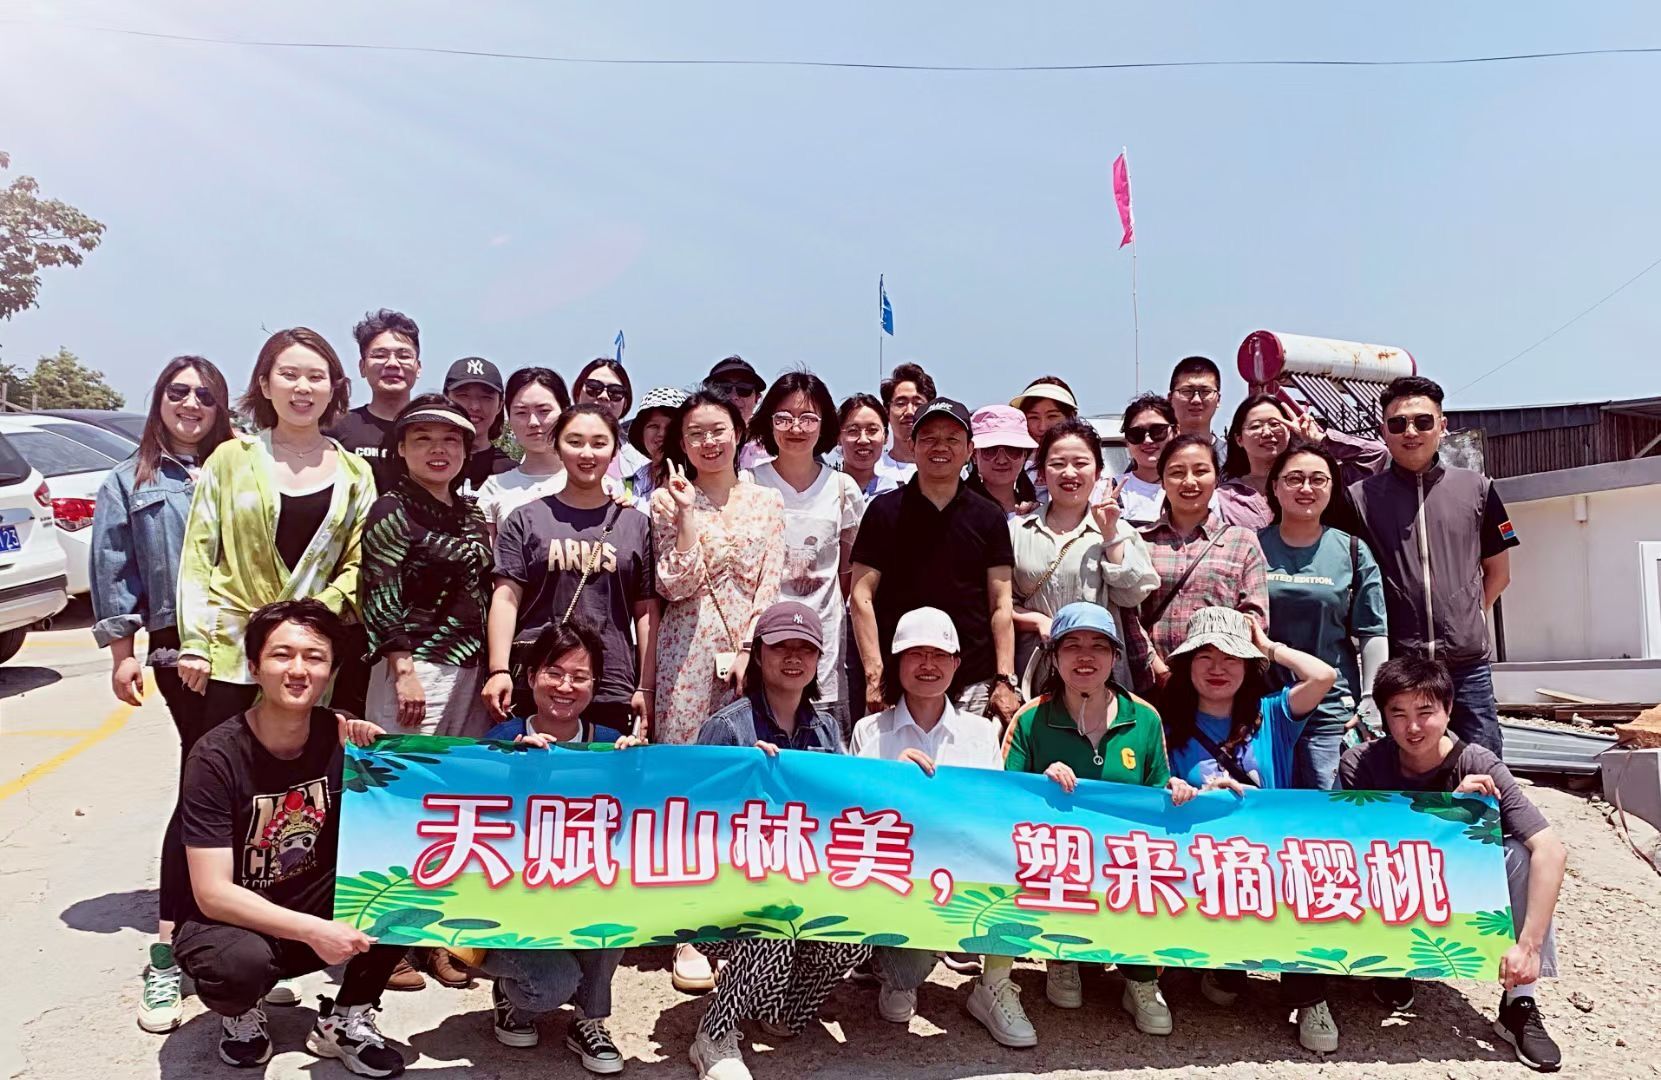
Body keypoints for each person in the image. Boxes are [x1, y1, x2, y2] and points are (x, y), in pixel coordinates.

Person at [172, 599, 405, 1076]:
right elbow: (212, 893)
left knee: (410, 886)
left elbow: (430, 805)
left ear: (332, 670)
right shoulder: (215, 757)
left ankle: (347, 1018)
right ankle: (240, 1011)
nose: (298, 670)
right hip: (233, 920)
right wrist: (316, 931)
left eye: (314, 658)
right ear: (254, 667)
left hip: (310, 902)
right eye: (282, 655)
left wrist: (519, 760)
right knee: (239, 965)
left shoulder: (345, 740)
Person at [90, 355, 235, 1034]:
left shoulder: (241, 465)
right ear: (158, 400)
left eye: (204, 394)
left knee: (251, 789)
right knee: (202, 785)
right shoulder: (131, 479)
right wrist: (124, 655)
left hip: (248, 644)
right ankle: (167, 953)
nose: (191, 403)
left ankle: (242, 943)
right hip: (183, 648)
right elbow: (114, 567)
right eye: (178, 392)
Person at [1341, 656, 1567, 1072]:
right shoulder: (1360, 763)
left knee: (1516, 853)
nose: (1413, 727)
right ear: (1384, 717)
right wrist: (1447, 809)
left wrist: (1528, 947)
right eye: (1398, 714)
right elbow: (1358, 847)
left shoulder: (1478, 763)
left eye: (1425, 712)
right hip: (1392, 878)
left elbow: (1551, 849)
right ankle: (1392, 965)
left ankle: (1520, 1002)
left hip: (1459, 881)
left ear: (1448, 709)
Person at [1001, 603, 1200, 1036]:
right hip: (1057, 860)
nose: (1085, 656)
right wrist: (1041, 782)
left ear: (1114, 657)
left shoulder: (1144, 718)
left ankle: (1141, 980)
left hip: (1124, 861)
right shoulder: (1031, 718)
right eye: (1072, 646)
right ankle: (1062, 957)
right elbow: (1005, 801)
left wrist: (1177, 792)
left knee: (1148, 868)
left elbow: (1157, 793)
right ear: (1053, 657)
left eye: (1098, 646)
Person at [688, 603, 867, 1080]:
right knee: (771, 917)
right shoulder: (728, 727)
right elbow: (690, 815)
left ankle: (774, 1008)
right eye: (780, 647)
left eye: (805, 648)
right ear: (759, 655)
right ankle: (714, 1035)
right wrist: (744, 782)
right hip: (729, 889)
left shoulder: (828, 728)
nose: (793, 658)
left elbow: (844, 807)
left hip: (804, 879)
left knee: (855, 933)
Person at [850, 607, 1036, 1048]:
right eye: (916, 654)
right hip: (896, 882)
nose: (928, 665)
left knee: (1018, 861)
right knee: (906, 968)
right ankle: (896, 978)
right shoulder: (869, 732)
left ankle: (993, 986)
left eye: (940, 655)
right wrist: (890, 782)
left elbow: (995, 816)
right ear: (897, 663)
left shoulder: (980, 733)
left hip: (962, 877)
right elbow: (849, 822)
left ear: (956, 664)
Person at [1157, 606, 1340, 1051]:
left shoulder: (1272, 714)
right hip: (1200, 858)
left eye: (1231, 658)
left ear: (1248, 665)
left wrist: (1270, 646)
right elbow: (1152, 785)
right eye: (1205, 657)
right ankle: (1222, 964)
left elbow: (1323, 677)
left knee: (1303, 879)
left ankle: (1309, 995)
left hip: (1269, 853)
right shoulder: (1165, 722)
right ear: (1186, 664)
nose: (1217, 669)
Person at [177, 327, 376, 725]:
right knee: (222, 765)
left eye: (316, 377)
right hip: (231, 651)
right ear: (265, 385)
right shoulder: (230, 459)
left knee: (299, 771)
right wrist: (195, 641)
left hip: (307, 654)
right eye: (288, 374)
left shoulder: (355, 473)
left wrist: (311, 614)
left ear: (334, 388)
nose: (302, 387)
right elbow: (198, 558)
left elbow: (361, 565)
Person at [481, 620, 642, 1074]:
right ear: (530, 677)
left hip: (580, 896)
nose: (566, 686)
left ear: (596, 684)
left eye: (581, 676)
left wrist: (639, 770)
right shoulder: (498, 742)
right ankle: (515, 1000)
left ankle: (590, 1020)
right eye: (554, 672)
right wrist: (509, 768)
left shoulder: (612, 746)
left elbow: (653, 822)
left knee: (619, 904)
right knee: (551, 984)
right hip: (510, 906)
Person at [1348, 375, 1518, 756]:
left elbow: (1499, 572)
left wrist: (1467, 618)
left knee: (1481, 766)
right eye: (1398, 423)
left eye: (1423, 421)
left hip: (1465, 665)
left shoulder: (1479, 489)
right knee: (1404, 774)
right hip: (1399, 665)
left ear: (1442, 425)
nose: (1411, 431)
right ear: (1383, 431)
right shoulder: (1360, 499)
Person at [486, 404, 659, 735]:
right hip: (538, 681)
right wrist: (498, 670)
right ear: (557, 445)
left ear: (615, 451)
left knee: (601, 784)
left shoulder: (636, 525)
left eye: (599, 443)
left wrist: (646, 686)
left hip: (609, 683)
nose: (587, 453)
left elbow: (647, 612)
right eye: (575, 441)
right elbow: (506, 598)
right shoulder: (526, 519)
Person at [850, 398, 1019, 722]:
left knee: (968, 773)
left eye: (952, 439)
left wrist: (1004, 679)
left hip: (973, 682)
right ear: (912, 446)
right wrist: (874, 676)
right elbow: (861, 595)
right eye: (928, 438)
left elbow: (1001, 604)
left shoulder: (988, 516)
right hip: (897, 681)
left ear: (970, 449)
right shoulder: (884, 512)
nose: (939, 447)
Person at [1257, 443, 1388, 789]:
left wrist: (1371, 700)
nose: (1306, 488)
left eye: (1318, 479)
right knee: (1266, 816)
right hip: (1262, 708)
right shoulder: (1250, 546)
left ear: (1332, 488)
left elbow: (1373, 630)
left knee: (1331, 816)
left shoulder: (1352, 550)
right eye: (1294, 479)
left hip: (1331, 712)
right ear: (1275, 486)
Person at [360, 397, 493, 737]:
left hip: (472, 667)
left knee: (461, 781)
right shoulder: (392, 509)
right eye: (423, 439)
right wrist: (404, 672)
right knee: (405, 772)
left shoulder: (472, 513)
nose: (439, 450)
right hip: (417, 666)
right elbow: (381, 594)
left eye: (450, 440)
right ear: (401, 448)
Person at [750, 371, 865, 731]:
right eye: (783, 418)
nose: (795, 428)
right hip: (765, 639)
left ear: (824, 425)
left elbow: (847, 573)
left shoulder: (843, 488)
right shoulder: (750, 482)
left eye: (808, 418)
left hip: (824, 639)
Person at [1011, 418, 1158, 690]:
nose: (1069, 473)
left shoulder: (1118, 529)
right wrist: (1037, 621)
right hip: (1034, 674)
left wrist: (1110, 535)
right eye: (1057, 464)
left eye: (1080, 463)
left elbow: (1133, 595)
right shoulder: (1017, 530)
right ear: (1042, 473)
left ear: (1098, 470)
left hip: (1099, 674)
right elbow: (997, 605)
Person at [1122, 434, 1269, 695]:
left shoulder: (1242, 541)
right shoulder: (1140, 541)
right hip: (1153, 688)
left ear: (1216, 476)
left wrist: (1215, 666)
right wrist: (1159, 669)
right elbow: (1129, 615)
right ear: (1162, 480)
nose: (1189, 481)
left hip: (1219, 689)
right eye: (1177, 472)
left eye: (1201, 471)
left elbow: (1255, 617)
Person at [326, 309, 421, 489]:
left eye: (404, 356)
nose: (392, 363)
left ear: (418, 368)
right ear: (362, 367)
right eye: (380, 355)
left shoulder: (433, 429)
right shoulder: (335, 429)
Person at [475, 368, 572, 539]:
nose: (533, 422)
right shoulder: (494, 488)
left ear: (565, 412)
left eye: (544, 411)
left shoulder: (596, 482)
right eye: (521, 413)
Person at [1216, 394, 1294, 528]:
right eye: (1255, 426)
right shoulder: (1223, 497)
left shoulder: (1310, 483)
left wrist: (1319, 439)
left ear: (1289, 429)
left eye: (1275, 424)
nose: (1267, 432)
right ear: (1239, 439)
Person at [443, 356, 517, 496]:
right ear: (446, 398)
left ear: (500, 405)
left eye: (486, 397)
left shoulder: (512, 474)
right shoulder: (426, 464)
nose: (475, 406)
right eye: (463, 395)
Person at [573, 357, 646, 484]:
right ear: (578, 391)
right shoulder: (549, 445)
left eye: (615, 392)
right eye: (594, 387)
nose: (604, 397)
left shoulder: (639, 463)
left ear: (625, 403)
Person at [1010, 376, 1079, 499]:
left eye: (1052, 416)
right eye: (1033, 417)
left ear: (1071, 417)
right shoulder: (1010, 467)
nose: (1042, 427)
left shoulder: (1086, 468)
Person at [1116, 394, 1180, 524]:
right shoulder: (1108, 490)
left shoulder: (1195, 488)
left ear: (1176, 431)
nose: (1147, 440)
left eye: (1158, 431)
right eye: (1136, 434)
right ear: (1127, 441)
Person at [966, 404, 1038, 518]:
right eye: (990, 450)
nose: (1001, 460)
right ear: (974, 455)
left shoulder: (1038, 513)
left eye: (1012, 450)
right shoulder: (957, 511)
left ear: (1024, 455)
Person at [703, 355, 770, 470]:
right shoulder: (692, 439)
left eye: (744, 388)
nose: (733, 397)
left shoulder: (775, 440)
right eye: (723, 388)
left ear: (757, 398)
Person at [832, 392, 904, 496]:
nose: (863, 440)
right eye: (853, 430)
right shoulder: (825, 491)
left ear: (886, 436)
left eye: (872, 430)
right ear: (838, 437)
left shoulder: (895, 493)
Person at [625, 386, 687, 498]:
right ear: (641, 434)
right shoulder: (628, 485)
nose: (662, 434)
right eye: (653, 426)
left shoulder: (699, 479)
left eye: (670, 427)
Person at [877, 361, 934, 474]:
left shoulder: (949, 469)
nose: (909, 412)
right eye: (901, 403)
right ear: (886, 411)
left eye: (918, 404)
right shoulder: (874, 470)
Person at [1167, 356, 1226, 462]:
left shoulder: (1234, 458)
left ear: (1218, 400)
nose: (1196, 400)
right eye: (1186, 391)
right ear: (1170, 399)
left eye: (1205, 392)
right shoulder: (1157, 455)